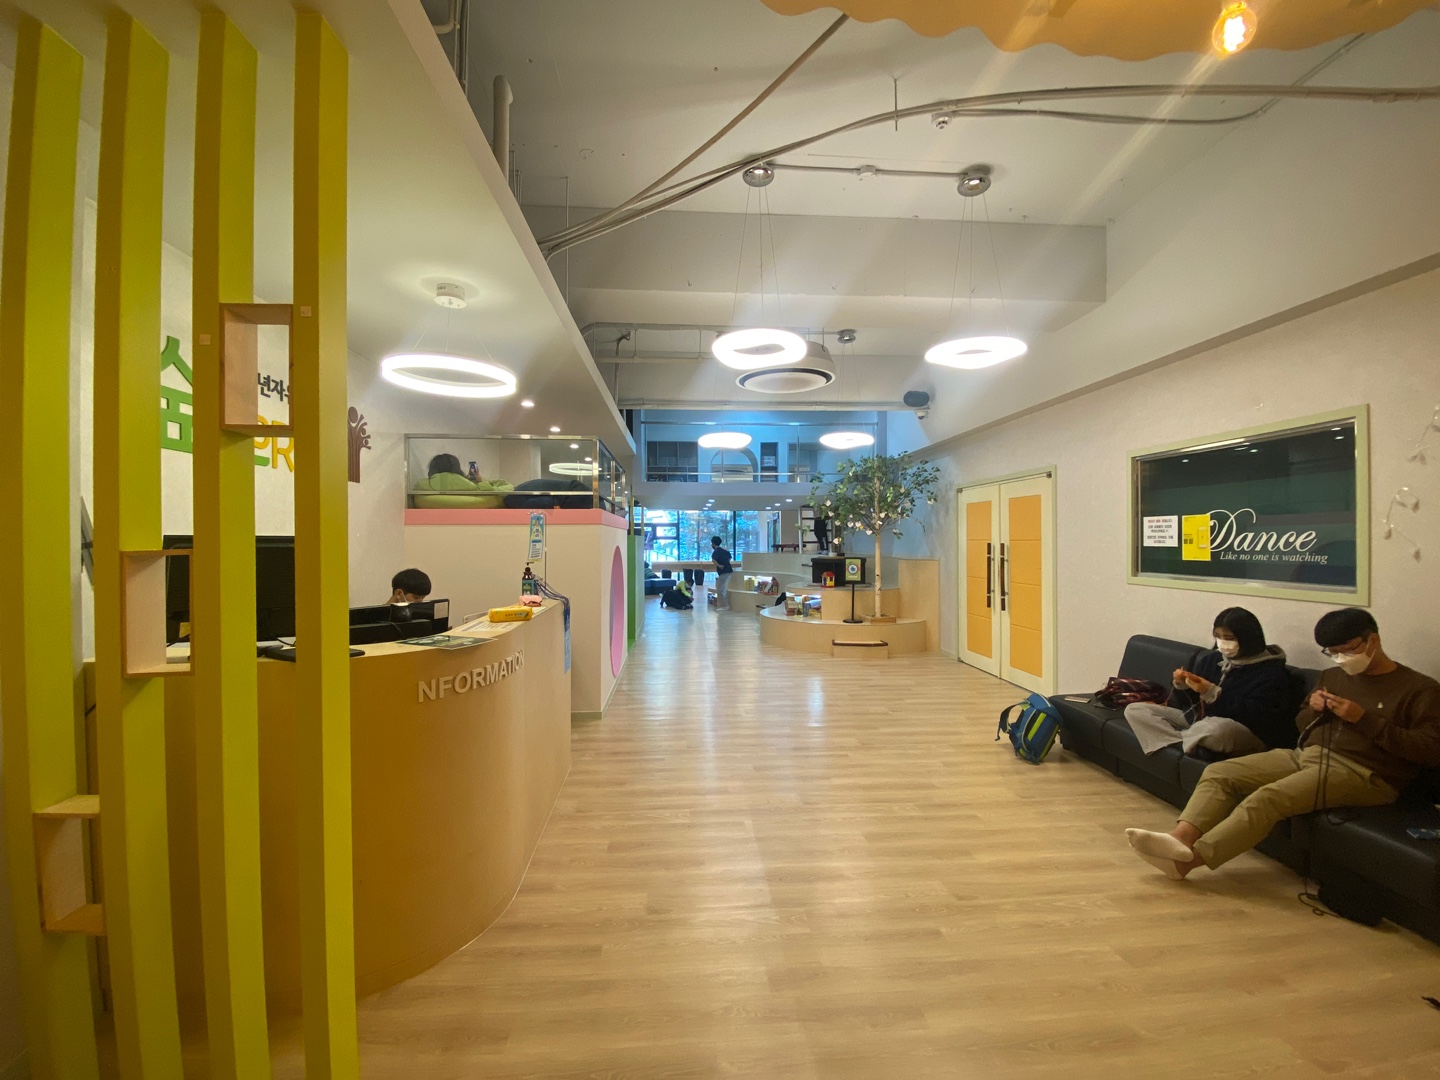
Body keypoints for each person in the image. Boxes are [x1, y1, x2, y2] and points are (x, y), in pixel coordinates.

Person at [1125, 608, 1440, 880]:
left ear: (1373, 640)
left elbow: (1429, 750)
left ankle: (1187, 863)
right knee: (1220, 774)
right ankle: (1180, 838)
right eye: (1332, 652)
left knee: (1268, 798)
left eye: (1347, 650)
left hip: (1366, 774)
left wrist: (1364, 719)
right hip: (1308, 754)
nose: (1341, 659)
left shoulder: (1419, 689)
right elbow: (1300, 724)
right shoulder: (1334, 675)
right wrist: (1312, 710)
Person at [1123, 607, 1294, 758]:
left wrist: (1213, 693)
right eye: (1218, 637)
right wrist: (1182, 686)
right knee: (1136, 710)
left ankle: (1182, 740)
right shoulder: (1212, 660)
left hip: (1240, 731)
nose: (1223, 643)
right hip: (1200, 722)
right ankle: (1185, 744)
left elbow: (1258, 718)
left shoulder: (1271, 673)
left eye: (1229, 638)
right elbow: (1188, 706)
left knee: (1217, 729)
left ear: (1248, 638)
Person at [710, 535, 733, 610]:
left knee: (720, 589)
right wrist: (726, 563)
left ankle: (725, 606)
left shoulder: (716, 551)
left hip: (723, 572)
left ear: (713, 543)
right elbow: (729, 557)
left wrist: (719, 565)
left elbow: (713, 560)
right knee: (723, 588)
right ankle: (724, 605)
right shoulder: (724, 551)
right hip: (729, 571)